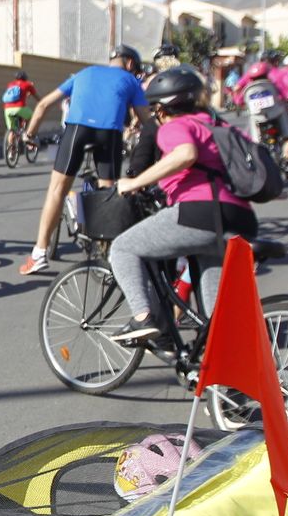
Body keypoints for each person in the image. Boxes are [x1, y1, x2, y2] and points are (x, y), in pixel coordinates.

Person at [111, 66, 259, 342]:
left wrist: (134, 182)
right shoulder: (218, 125)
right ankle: (222, 375)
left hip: (200, 213)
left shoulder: (178, 125)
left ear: (165, 107)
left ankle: (143, 318)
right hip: (239, 218)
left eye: (156, 109)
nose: (156, 115)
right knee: (218, 318)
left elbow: (185, 154)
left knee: (123, 248)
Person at [17, 45, 150, 275]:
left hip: (77, 130)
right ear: (129, 63)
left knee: (57, 189)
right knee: (108, 192)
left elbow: (42, 105)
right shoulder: (131, 81)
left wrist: (29, 136)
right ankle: (108, 251)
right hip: (109, 133)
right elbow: (147, 122)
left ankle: (39, 253)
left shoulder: (83, 74)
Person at [1, 68, 38, 150]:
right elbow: (36, 97)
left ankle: (11, 152)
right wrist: (41, 102)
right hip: (20, 108)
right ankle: (26, 134)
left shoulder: (10, 84)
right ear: (25, 78)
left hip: (7, 109)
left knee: (12, 130)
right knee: (32, 117)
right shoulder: (28, 84)